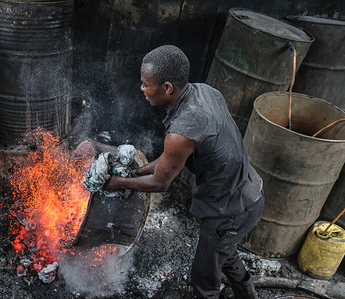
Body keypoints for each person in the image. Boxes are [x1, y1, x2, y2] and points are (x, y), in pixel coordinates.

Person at [106, 45, 264, 299]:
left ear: (167, 88)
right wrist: (138, 171)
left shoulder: (181, 132)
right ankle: (247, 295)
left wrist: (119, 183)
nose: (142, 89)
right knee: (225, 252)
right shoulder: (206, 92)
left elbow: (160, 183)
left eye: (146, 84)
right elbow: (170, 160)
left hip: (231, 210)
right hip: (249, 190)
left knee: (204, 280)